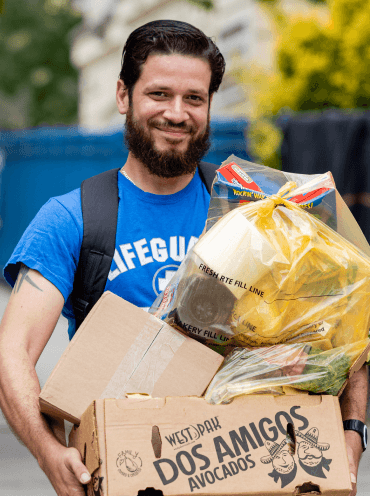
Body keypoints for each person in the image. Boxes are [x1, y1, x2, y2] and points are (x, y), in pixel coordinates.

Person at [0, 19, 367, 496]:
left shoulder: (256, 212)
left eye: (194, 98)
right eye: (159, 94)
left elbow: (345, 333)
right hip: (132, 472)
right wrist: (51, 456)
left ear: (209, 106)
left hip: (258, 469)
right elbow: (13, 353)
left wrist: (351, 434)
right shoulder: (73, 219)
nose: (177, 113)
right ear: (123, 96)